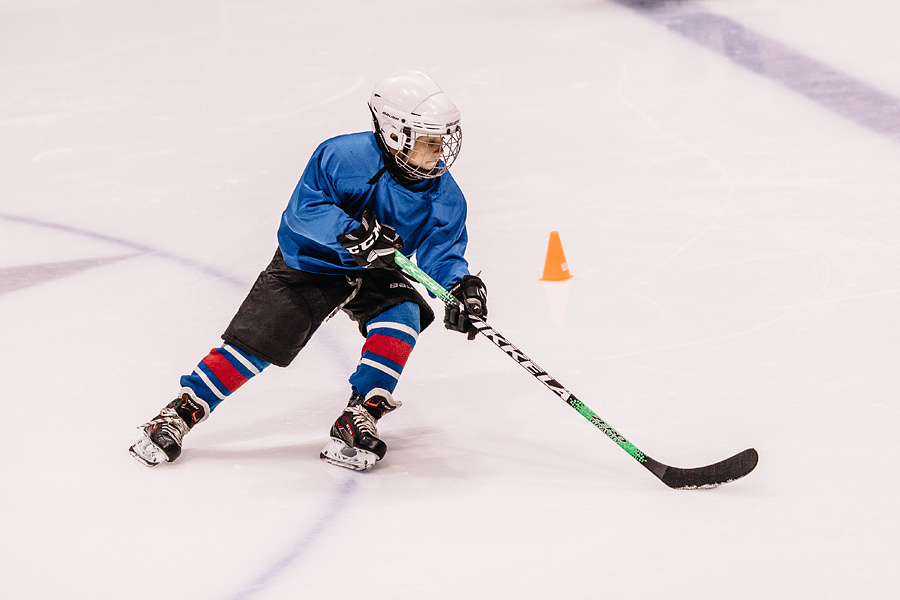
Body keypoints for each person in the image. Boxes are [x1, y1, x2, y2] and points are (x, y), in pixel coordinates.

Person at [129, 71, 488, 471]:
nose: (437, 153)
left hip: (375, 272)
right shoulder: (341, 157)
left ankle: (360, 414)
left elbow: (442, 254)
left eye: (440, 142)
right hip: (312, 263)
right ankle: (179, 413)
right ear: (393, 134)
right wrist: (352, 234)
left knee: (403, 316)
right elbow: (304, 212)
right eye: (427, 142)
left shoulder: (446, 196)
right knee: (254, 345)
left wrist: (459, 288)